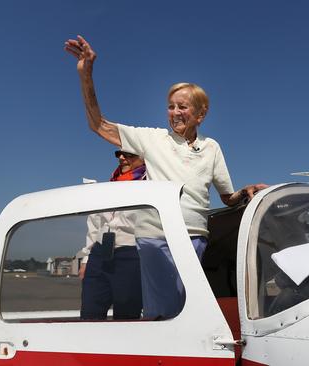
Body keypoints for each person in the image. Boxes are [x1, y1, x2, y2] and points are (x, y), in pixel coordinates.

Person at [65, 35, 267, 319]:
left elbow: (226, 197)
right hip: (154, 236)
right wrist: (86, 74)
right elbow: (98, 125)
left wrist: (246, 192)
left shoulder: (212, 148)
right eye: (171, 106)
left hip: (196, 236)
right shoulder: (152, 139)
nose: (175, 113)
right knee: (161, 311)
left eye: (182, 107)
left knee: (186, 308)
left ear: (201, 113)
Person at [80, 150, 146, 320]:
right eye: (119, 154)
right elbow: (95, 222)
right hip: (99, 253)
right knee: (89, 312)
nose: (122, 158)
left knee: (127, 316)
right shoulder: (109, 185)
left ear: (144, 156)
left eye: (128, 154)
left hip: (130, 254)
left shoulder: (150, 185)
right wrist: (86, 258)